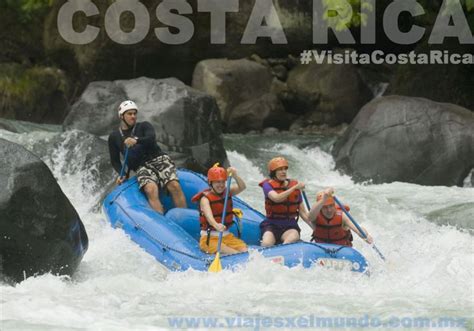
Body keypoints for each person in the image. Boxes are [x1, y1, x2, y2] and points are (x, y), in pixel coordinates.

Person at [108, 100, 187, 214]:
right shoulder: (114, 137)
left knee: (174, 185)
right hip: (141, 167)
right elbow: (115, 161)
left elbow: (151, 138)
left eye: (134, 113)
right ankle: (162, 222)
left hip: (158, 159)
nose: (133, 116)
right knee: (150, 189)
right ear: (121, 116)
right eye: (129, 114)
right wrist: (123, 174)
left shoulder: (144, 126)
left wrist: (136, 140)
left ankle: (183, 216)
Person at [191, 165, 248, 255]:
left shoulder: (227, 192)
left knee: (245, 251)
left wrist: (235, 176)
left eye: (223, 182)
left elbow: (242, 187)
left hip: (227, 236)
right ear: (211, 183)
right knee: (234, 253)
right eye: (217, 182)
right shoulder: (205, 199)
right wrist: (216, 225)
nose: (221, 185)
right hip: (209, 239)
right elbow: (208, 216)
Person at [258, 157, 312, 247]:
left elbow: (303, 213)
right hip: (272, 224)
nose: (283, 172)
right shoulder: (267, 185)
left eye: (284, 169)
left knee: (291, 239)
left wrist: (315, 229)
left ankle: (283, 252)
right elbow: (276, 198)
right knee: (266, 243)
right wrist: (294, 188)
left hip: (290, 225)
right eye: (280, 170)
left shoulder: (294, 185)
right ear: (273, 172)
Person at [308, 188, 373, 246]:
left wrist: (365, 235)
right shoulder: (315, 215)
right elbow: (310, 217)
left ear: (334, 205)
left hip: (341, 249)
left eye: (331, 206)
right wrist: (323, 199)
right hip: (321, 247)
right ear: (320, 207)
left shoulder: (342, 216)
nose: (329, 210)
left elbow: (357, 228)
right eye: (325, 207)